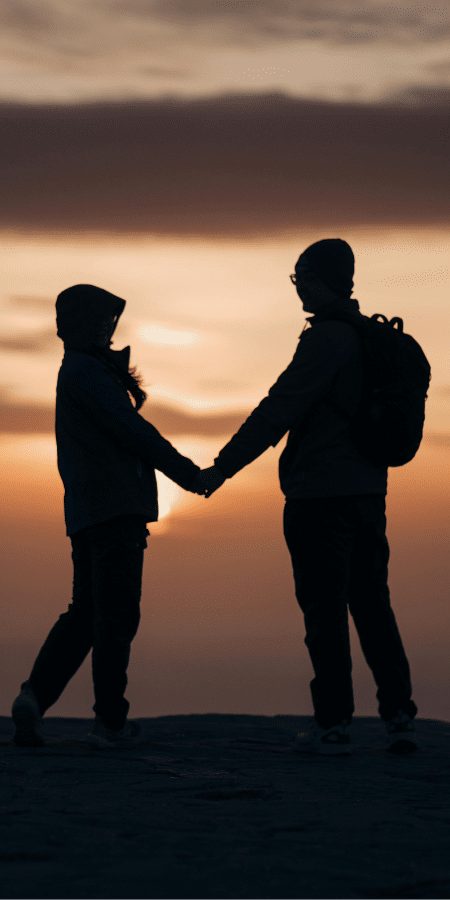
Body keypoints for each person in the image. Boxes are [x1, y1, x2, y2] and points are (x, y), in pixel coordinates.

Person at [194, 238, 418, 756]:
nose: (300, 289)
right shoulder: (368, 337)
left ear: (330, 279)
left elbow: (279, 409)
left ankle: (333, 723)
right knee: (372, 605)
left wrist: (221, 469)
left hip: (321, 496)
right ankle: (399, 717)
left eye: (305, 278)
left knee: (324, 610)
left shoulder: (327, 341)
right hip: (368, 493)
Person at [12, 284, 206, 750]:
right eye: (102, 320)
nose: (109, 328)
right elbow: (130, 428)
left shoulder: (78, 369)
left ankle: (34, 698)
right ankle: (110, 723)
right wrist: (187, 472)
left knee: (87, 613)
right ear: (84, 325)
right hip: (113, 509)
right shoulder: (86, 372)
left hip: (87, 509)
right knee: (115, 615)